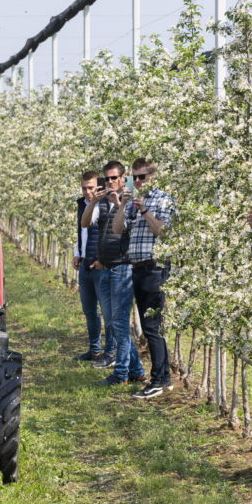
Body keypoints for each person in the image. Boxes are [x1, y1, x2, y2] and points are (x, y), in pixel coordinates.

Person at [112, 158, 175, 399]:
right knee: (150, 325)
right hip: (137, 268)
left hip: (155, 268)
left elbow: (164, 232)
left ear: (152, 176)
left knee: (152, 326)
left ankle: (159, 379)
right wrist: (122, 205)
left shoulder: (162, 199)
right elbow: (118, 229)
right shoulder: (131, 201)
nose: (137, 181)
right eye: (134, 177)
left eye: (142, 177)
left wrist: (145, 210)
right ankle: (163, 376)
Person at [82, 160, 145, 385]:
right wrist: (92, 202)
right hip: (106, 268)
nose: (109, 182)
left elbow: (125, 228)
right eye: (106, 178)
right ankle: (136, 370)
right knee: (114, 322)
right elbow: (85, 223)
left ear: (123, 177)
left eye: (113, 178)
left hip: (123, 267)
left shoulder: (129, 201)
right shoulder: (101, 203)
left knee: (118, 322)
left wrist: (119, 203)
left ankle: (121, 374)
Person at [73, 170, 114, 361]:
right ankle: (95, 349)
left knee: (107, 312)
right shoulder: (82, 204)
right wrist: (77, 253)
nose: (87, 192)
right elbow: (81, 231)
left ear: (99, 186)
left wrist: (101, 258)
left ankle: (110, 351)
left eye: (90, 188)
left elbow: (108, 234)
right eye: (84, 188)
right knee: (90, 311)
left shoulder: (107, 203)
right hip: (84, 264)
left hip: (100, 266)